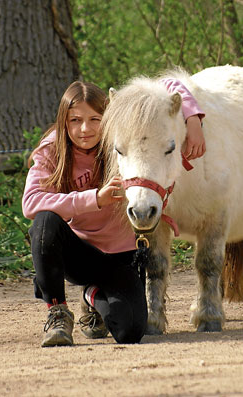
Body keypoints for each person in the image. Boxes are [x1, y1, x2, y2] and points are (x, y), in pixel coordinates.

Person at [22, 78, 205, 347]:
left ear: (108, 118)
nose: (85, 129)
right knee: (44, 222)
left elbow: (168, 82)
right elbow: (30, 202)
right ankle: (57, 311)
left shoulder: (124, 139)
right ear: (64, 120)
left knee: (130, 332)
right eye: (75, 120)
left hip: (120, 255)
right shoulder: (53, 149)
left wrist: (193, 120)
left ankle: (92, 294)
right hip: (78, 252)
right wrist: (95, 198)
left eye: (95, 119)